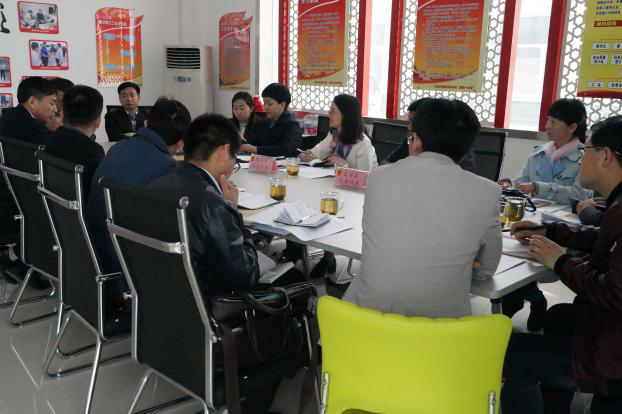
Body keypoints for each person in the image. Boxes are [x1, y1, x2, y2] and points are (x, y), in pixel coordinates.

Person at [148, 114, 292, 413]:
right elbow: (246, 275)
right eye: (235, 158)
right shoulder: (212, 203)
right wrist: (232, 210)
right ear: (224, 151)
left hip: (162, 316)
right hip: (214, 321)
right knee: (296, 285)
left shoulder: (157, 184)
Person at [501, 116, 622, 414]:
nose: (581, 158)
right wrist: (552, 231)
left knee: (512, 355)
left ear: (605, 156)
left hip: (614, 354)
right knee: (559, 318)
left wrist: (560, 261)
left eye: (585, 150)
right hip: (608, 326)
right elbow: (601, 236)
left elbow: (614, 292)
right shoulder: (616, 204)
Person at [343, 98, 502, 317]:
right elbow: (485, 270)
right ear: (466, 150)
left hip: (361, 321)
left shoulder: (378, 178)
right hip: (436, 331)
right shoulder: (487, 192)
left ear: (416, 140)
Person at [88, 97, 191, 274]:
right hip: (127, 265)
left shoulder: (117, 148)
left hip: (94, 253)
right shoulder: (168, 168)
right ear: (181, 143)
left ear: (146, 123)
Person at [298, 94, 377, 277]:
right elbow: (319, 151)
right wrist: (309, 154)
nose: (329, 114)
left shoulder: (362, 144)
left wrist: (344, 164)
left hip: (358, 197)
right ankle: (322, 253)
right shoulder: (334, 135)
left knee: (328, 207)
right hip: (337, 188)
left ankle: (328, 257)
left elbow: (365, 178)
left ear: (346, 115)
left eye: (333, 111)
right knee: (314, 202)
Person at [500, 98, 591, 205]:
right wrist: (508, 185)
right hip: (533, 211)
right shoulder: (538, 153)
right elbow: (520, 183)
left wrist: (538, 187)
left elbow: (579, 195)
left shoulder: (585, 157)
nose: (547, 126)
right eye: (548, 120)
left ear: (572, 127)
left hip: (566, 215)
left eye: (553, 122)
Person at [381, 98, 476, 172]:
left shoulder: (456, 141)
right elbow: (387, 162)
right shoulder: (412, 138)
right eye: (409, 121)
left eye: (413, 121)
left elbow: (467, 174)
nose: (409, 127)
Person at [44, 85, 105, 199]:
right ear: (98, 122)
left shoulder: (51, 139)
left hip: (52, 205)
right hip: (82, 208)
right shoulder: (93, 152)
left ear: (62, 115)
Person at [239, 83, 301, 157]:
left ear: (282, 104)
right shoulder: (264, 123)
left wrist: (255, 149)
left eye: (269, 104)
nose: (265, 107)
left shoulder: (292, 125)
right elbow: (254, 143)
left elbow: (286, 149)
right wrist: (241, 143)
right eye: (264, 103)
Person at [0, 76, 57, 144]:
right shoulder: (36, 129)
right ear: (32, 102)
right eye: (52, 104)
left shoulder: (7, 114)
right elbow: (55, 150)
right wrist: (57, 131)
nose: (55, 110)